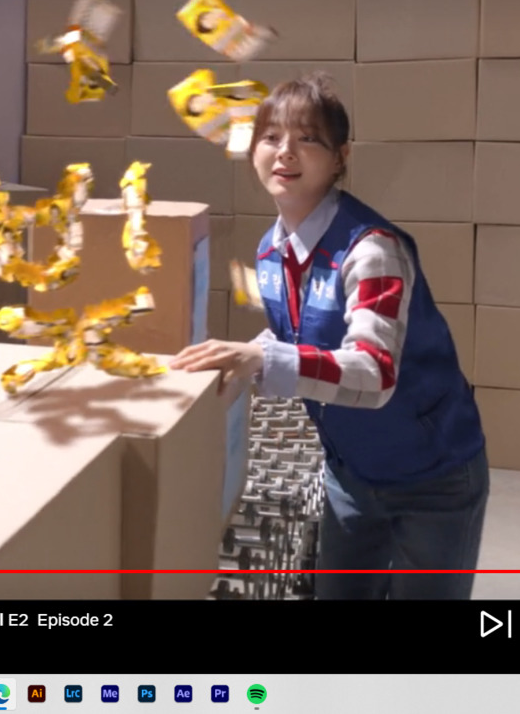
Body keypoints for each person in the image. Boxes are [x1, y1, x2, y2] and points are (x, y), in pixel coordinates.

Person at [168, 74, 489, 600]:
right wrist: (240, 357)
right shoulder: (272, 251)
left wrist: (261, 358)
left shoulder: (372, 251)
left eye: (307, 139)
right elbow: (299, 328)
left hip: (433, 477)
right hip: (351, 474)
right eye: (270, 137)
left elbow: (374, 372)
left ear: (340, 156)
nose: (284, 152)